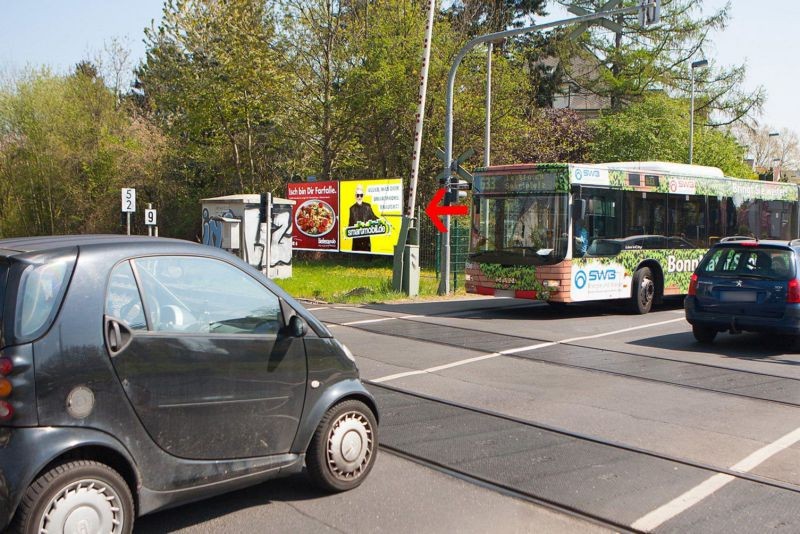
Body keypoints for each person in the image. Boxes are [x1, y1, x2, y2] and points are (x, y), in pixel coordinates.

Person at [348, 185, 379, 252]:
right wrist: (348, 232)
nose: (359, 197)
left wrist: (382, 221)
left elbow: (373, 217)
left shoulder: (367, 206)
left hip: (365, 235)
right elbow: (350, 222)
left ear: (363, 196)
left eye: (361, 195)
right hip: (356, 235)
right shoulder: (352, 208)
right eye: (358, 195)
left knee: (366, 254)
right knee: (356, 254)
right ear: (355, 196)